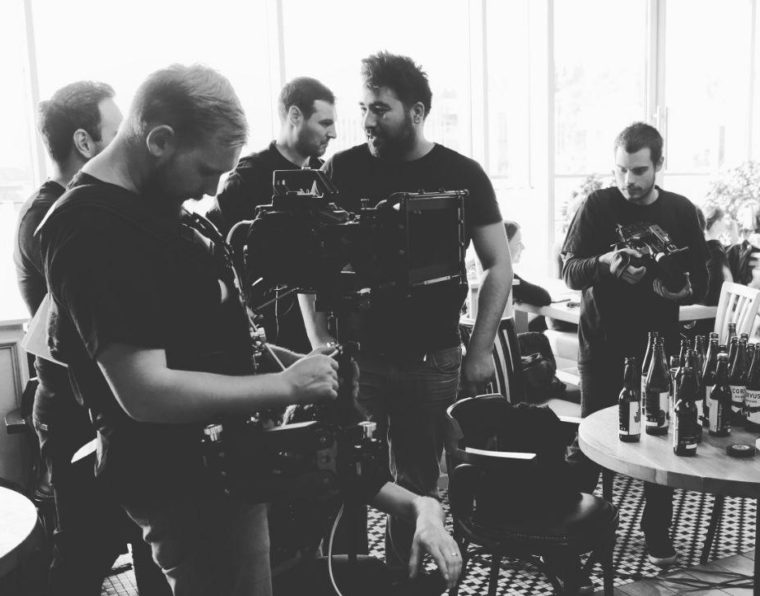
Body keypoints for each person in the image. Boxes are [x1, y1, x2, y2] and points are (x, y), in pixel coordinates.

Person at [38, 64, 462, 596]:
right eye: (205, 170)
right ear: (160, 140)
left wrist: (296, 367)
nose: (211, 189)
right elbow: (144, 390)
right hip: (185, 485)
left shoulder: (153, 206)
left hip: (229, 469)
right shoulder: (91, 226)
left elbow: (210, 344)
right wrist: (285, 386)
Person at [299, 52, 512, 575]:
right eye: (363, 109)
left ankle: (403, 580)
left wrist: (481, 348)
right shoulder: (340, 169)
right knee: (342, 476)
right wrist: (319, 343)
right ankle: (346, 578)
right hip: (356, 361)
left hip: (431, 360)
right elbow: (306, 263)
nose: (368, 121)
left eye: (380, 109)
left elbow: (499, 265)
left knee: (416, 485)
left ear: (416, 112)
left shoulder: (462, 174)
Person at [13, 80, 170, 596]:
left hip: (106, 405)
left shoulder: (90, 209)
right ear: (84, 142)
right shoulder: (55, 217)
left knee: (150, 544)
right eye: (118, 130)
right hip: (71, 412)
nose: (129, 141)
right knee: (83, 554)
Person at [561, 122, 709, 567]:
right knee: (591, 438)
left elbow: (702, 281)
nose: (629, 180)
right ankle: (571, 528)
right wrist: (605, 263)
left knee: (658, 441)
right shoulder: (597, 205)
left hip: (658, 347)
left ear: (659, 164)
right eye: (621, 170)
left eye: (639, 170)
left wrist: (682, 289)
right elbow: (569, 271)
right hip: (602, 342)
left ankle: (657, 532)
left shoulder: (681, 211)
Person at [206, 76, 338, 353]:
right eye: (325, 123)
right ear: (295, 115)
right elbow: (214, 246)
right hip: (271, 341)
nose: (333, 133)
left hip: (321, 332)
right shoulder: (248, 178)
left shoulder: (326, 176)